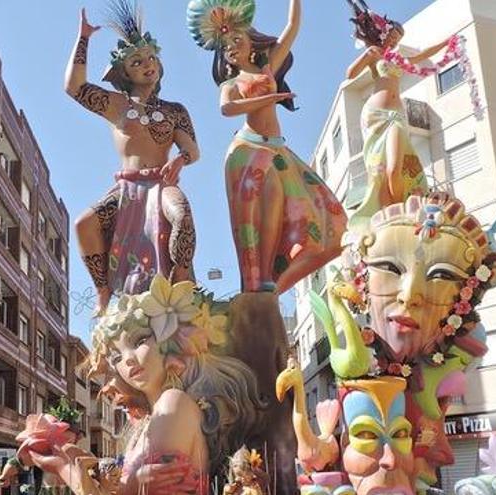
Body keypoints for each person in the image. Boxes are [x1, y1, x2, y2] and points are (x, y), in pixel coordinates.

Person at [27, 275, 266, 494]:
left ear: (170, 340)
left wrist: (70, 470)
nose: (127, 359)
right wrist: (65, 466)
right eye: (117, 357)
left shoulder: (173, 404)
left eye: (140, 340)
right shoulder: (148, 421)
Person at [187, 0, 346, 293]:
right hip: (249, 149)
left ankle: (273, 282)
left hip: (277, 149)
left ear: (252, 44)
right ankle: (260, 279)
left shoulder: (267, 69)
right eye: (226, 46)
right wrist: (269, 99)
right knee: (267, 207)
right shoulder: (231, 83)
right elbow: (228, 109)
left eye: (237, 39)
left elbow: (292, 28)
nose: (232, 47)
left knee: (317, 212)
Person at [67, 1, 200, 314]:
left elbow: (192, 150)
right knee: (84, 223)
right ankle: (103, 290)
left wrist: (180, 159)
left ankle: (180, 284)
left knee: (182, 215)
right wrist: (84, 38)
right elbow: (74, 87)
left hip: (160, 184)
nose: (147, 64)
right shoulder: (115, 104)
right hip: (127, 190)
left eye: (151, 58)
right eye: (137, 62)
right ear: (124, 72)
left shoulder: (175, 111)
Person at [343, 0, 454, 233]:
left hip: (397, 115)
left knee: (396, 167)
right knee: (381, 171)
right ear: (385, 33)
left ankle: (400, 211)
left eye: (399, 38)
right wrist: (367, 56)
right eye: (394, 35)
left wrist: (447, 42)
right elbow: (349, 74)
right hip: (377, 115)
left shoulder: (398, 58)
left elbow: (424, 53)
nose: (396, 40)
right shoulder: (375, 54)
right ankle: (393, 217)